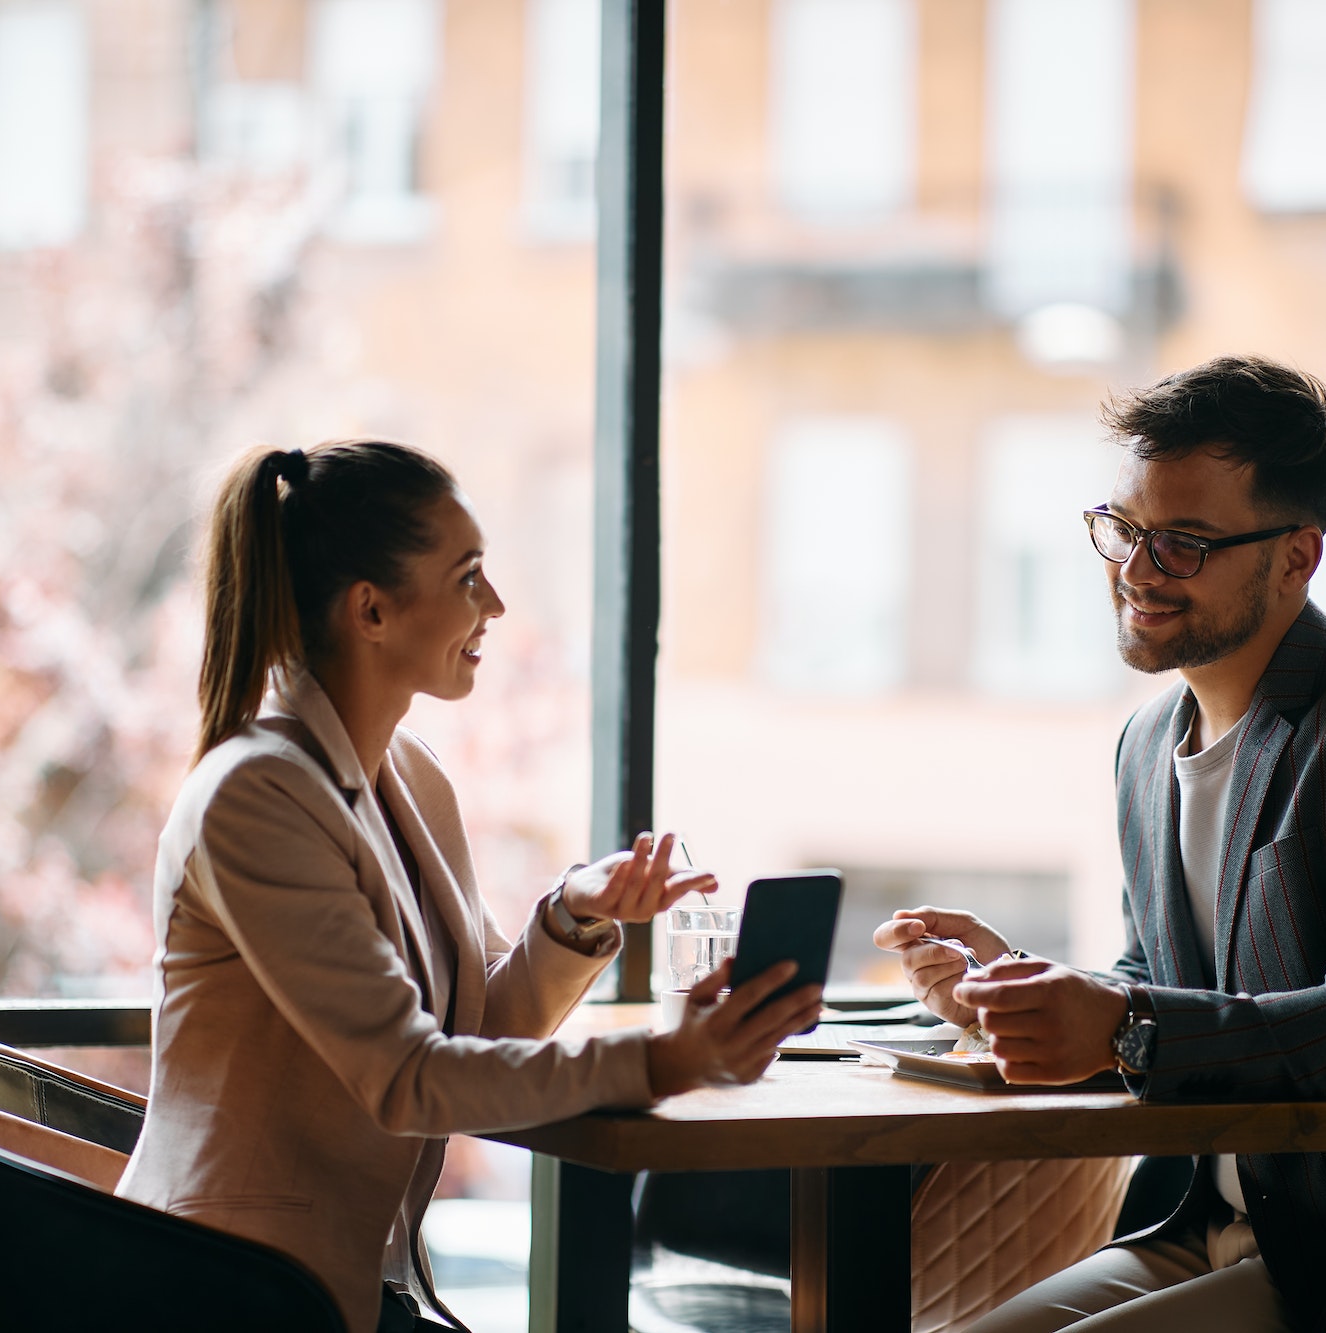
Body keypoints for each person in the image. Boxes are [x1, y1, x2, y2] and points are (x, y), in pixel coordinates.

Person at [875, 357, 1326, 1333]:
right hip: (1208, 1223)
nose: (1135, 571)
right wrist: (1009, 990)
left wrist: (1117, 1020)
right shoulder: (1146, 743)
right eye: (1124, 528)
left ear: (1296, 557)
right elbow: (1159, 979)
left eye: (1181, 543)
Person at [115, 439, 821, 1333]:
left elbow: (485, 1031)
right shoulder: (253, 796)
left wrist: (574, 916)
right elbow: (409, 1076)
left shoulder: (410, 776)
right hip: (230, 1290)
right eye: (468, 576)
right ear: (371, 610)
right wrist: (659, 1060)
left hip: (354, 1289)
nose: (495, 604)